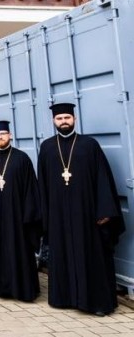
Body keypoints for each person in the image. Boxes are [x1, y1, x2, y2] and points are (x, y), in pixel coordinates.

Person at [37, 102, 124, 316]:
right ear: (53, 121)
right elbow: (42, 185)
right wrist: (45, 216)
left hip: (87, 214)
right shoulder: (47, 147)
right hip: (58, 215)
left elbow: (103, 179)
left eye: (67, 117)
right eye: (59, 118)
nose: (63, 121)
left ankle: (96, 303)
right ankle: (64, 299)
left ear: (74, 119)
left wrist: (104, 211)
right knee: (62, 254)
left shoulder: (89, 145)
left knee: (91, 255)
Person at [0, 120, 41, 302]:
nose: (0, 137)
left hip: (17, 217)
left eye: (3, 134)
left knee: (19, 250)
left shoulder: (22, 158)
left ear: (10, 135)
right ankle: (1, 288)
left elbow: (31, 189)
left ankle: (23, 289)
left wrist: (28, 215)